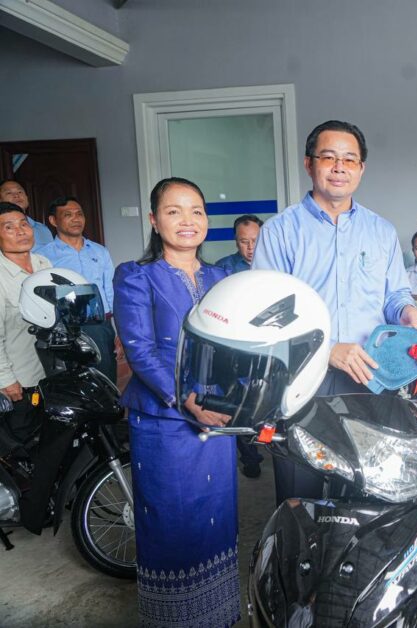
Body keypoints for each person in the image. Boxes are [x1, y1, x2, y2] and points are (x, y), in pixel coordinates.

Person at [252, 119, 417, 503]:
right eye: (328, 157)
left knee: (370, 488)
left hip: (370, 376)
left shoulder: (381, 231)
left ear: (361, 168)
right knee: (302, 492)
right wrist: (329, 349)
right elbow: (269, 313)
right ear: (309, 164)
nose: (339, 167)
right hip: (303, 377)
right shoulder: (280, 231)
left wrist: (408, 313)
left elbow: (395, 295)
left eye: (349, 159)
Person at [112, 177, 237, 627]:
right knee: (172, 521)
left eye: (197, 211)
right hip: (164, 419)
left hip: (217, 417)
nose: (188, 220)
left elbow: (235, 346)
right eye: (173, 211)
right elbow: (140, 350)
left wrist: (239, 396)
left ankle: (217, 615)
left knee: (216, 516)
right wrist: (186, 399)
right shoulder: (135, 275)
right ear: (154, 219)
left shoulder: (222, 277)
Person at [36, 196, 117, 383]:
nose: (76, 219)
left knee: (105, 378)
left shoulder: (100, 251)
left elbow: (110, 290)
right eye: (68, 215)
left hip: (100, 325)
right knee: (71, 381)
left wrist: (117, 329)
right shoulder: (43, 256)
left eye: (79, 214)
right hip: (64, 327)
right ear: (53, 220)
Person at [213, 213, 265, 478]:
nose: (250, 247)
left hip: (268, 343)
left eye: (255, 240)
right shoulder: (223, 269)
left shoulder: (275, 265)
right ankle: (250, 456)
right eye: (244, 241)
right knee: (238, 398)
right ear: (236, 241)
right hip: (234, 344)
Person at [0, 202, 51, 451]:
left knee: (50, 442)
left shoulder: (43, 264)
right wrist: (6, 380)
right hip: (19, 381)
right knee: (22, 448)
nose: (21, 231)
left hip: (48, 373)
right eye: (9, 227)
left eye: (24, 224)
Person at [0, 180, 54, 250]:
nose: (16, 195)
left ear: (27, 197)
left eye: (20, 192)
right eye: (9, 193)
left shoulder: (42, 228)